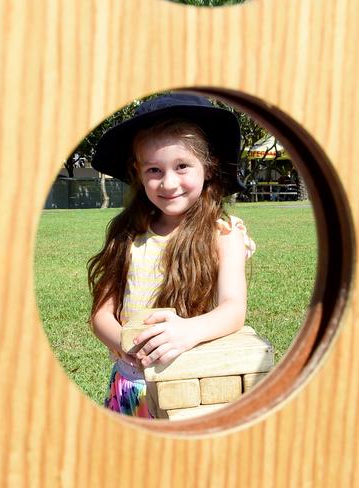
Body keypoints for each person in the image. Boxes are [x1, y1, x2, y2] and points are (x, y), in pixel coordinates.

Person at [88, 93, 256, 418]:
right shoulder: (128, 234)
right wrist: (126, 345)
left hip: (192, 385)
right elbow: (101, 315)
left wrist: (187, 332)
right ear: (138, 172)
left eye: (182, 166)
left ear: (207, 168)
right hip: (130, 386)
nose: (168, 182)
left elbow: (233, 310)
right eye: (154, 169)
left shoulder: (224, 235)